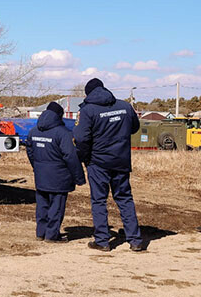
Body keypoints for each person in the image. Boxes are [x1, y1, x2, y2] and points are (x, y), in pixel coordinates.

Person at [74, 78, 144, 252]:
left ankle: (102, 241)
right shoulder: (125, 106)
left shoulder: (88, 110)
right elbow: (134, 127)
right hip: (121, 161)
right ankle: (135, 240)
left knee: (99, 201)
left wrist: (84, 157)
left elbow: (81, 138)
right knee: (125, 198)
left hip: (98, 163)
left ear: (87, 93)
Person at [26, 101, 85, 242]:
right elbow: (70, 156)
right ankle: (52, 236)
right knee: (56, 207)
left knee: (42, 206)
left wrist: (37, 167)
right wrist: (79, 177)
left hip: (41, 176)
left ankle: (40, 233)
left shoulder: (33, 131)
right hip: (59, 177)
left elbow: (30, 151)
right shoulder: (63, 133)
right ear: (59, 116)